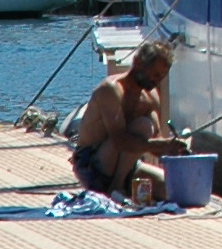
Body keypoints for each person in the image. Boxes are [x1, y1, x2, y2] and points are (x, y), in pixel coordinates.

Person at [73, 39, 180, 202]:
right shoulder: (110, 90)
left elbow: (155, 144)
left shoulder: (150, 96)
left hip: (127, 167)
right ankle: (116, 187)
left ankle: (119, 186)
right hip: (93, 164)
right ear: (137, 63)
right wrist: (161, 145)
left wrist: (174, 148)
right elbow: (120, 141)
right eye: (155, 74)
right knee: (142, 126)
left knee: (170, 188)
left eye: (162, 76)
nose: (157, 81)